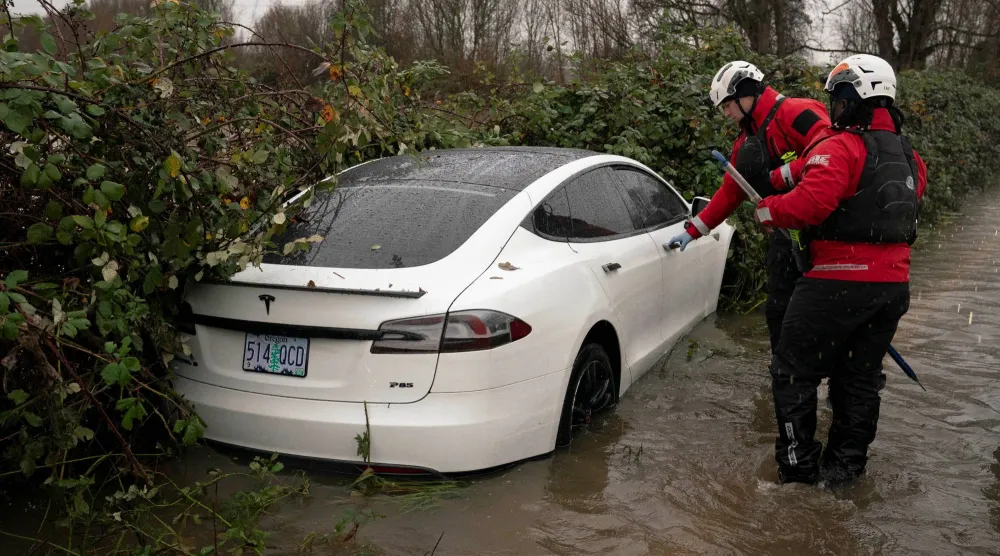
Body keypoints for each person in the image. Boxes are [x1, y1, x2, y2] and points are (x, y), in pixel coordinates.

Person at [753, 54, 928, 485]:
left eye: (836, 99)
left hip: (834, 283)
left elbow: (810, 204)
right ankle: (845, 472)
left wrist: (767, 211)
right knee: (860, 379)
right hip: (890, 289)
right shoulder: (911, 157)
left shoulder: (840, 146)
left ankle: (797, 473)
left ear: (853, 97)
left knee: (792, 371)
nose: (832, 108)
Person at [670, 61, 831, 352]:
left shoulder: (796, 112)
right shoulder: (747, 138)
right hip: (786, 237)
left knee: (823, 315)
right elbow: (731, 191)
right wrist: (694, 229)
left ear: (747, 93)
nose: (726, 114)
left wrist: (784, 174)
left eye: (728, 105)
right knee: (778, 314)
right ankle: (784, 376)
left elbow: (834, 152)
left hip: (826, 233)